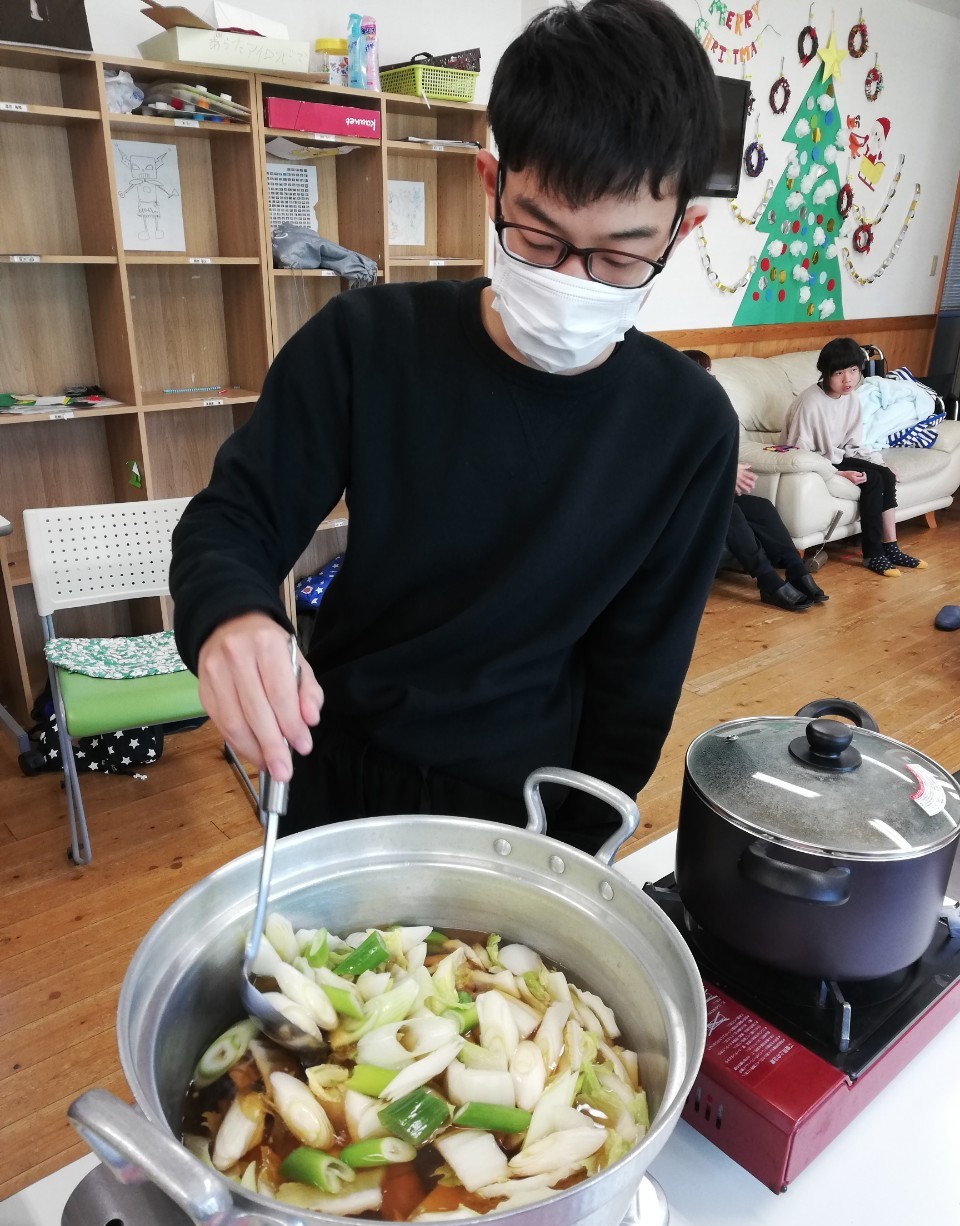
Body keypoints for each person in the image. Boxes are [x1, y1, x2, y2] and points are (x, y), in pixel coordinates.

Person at [169, 0, 739, 853]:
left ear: (682, 228)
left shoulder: (687, 426)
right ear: (490, 184)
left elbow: (639, 681)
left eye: (620, 257)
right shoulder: (368, 343)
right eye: (539, 238)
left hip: (525, 805)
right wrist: (232, 617)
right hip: (339, 766)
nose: (573, 281)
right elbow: (233, 519)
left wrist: (577, 847)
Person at [680, 350, 827, 612]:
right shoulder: (672, 418)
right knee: (729, 510)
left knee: (762, 508)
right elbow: (679, 468)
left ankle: (795, 569)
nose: (709, 379)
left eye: (709, 373)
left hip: (709, 492)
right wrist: (725, 474)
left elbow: (716, 456)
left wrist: (728, 470)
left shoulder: (705, 413)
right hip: (681, 502)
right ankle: (767, 580)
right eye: (702, 373)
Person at [780, 336, 927, 577]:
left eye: (853, 370)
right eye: (839, 373)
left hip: (836, 456)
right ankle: (873, 555)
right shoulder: (810, 403)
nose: (847, 379)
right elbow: (798, 455)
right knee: (872, 479)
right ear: (826, 373)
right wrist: (838, 474)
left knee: (885, 475)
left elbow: (853, 445)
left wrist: (881, 464)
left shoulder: (851, 398)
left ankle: (891, 548)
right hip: (814, 461)